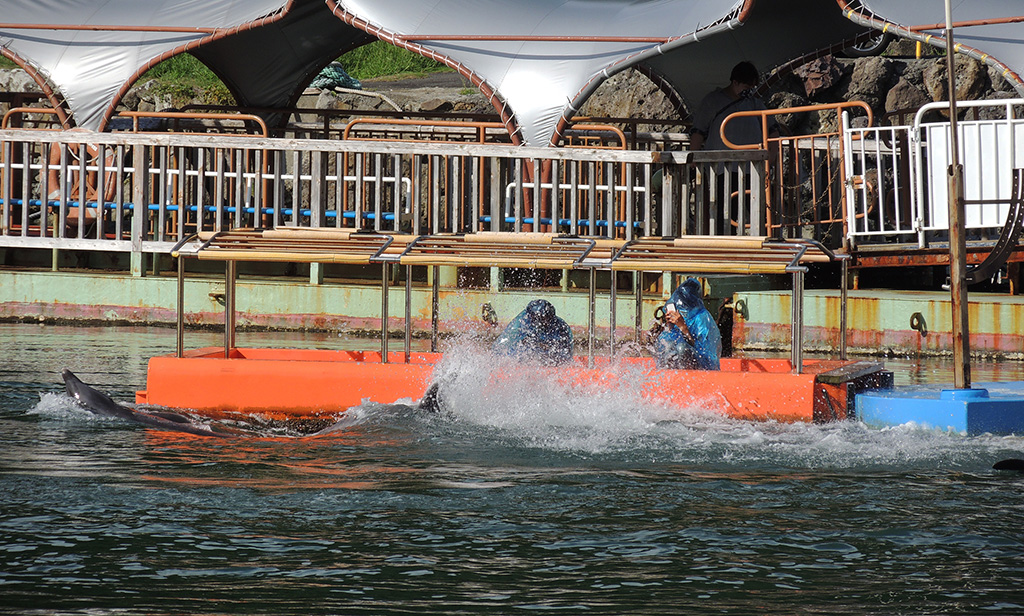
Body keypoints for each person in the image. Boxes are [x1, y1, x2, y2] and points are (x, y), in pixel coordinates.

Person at [689, 61, 778, 152]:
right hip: (720, 162)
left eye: (752, 88)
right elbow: (698, 131)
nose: (749, 92)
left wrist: (771, 156)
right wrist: (693, 160)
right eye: (746, 88)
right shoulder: (713, 101)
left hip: (752, 162)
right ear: (735, 82)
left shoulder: (754, 104)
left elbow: (772, 129)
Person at [654, 277, 721, 370]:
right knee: (666, 345)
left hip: (705, 365)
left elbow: (703, 351)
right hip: (683, 359)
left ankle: (686, 379)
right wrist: (670, 326)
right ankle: (664, 378)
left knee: (682, 348)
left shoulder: (702, 318)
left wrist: (683, 327)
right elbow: (671, 340)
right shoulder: (680, 316)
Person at [492, 299, 573, 366]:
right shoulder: (519, 325)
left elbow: (568, 354)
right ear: (532, 317)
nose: (545, 321)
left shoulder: (561, 327)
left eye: (547, 318)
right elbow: (499, 348)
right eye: (542, 319)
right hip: (523, 355)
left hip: (548, 355)